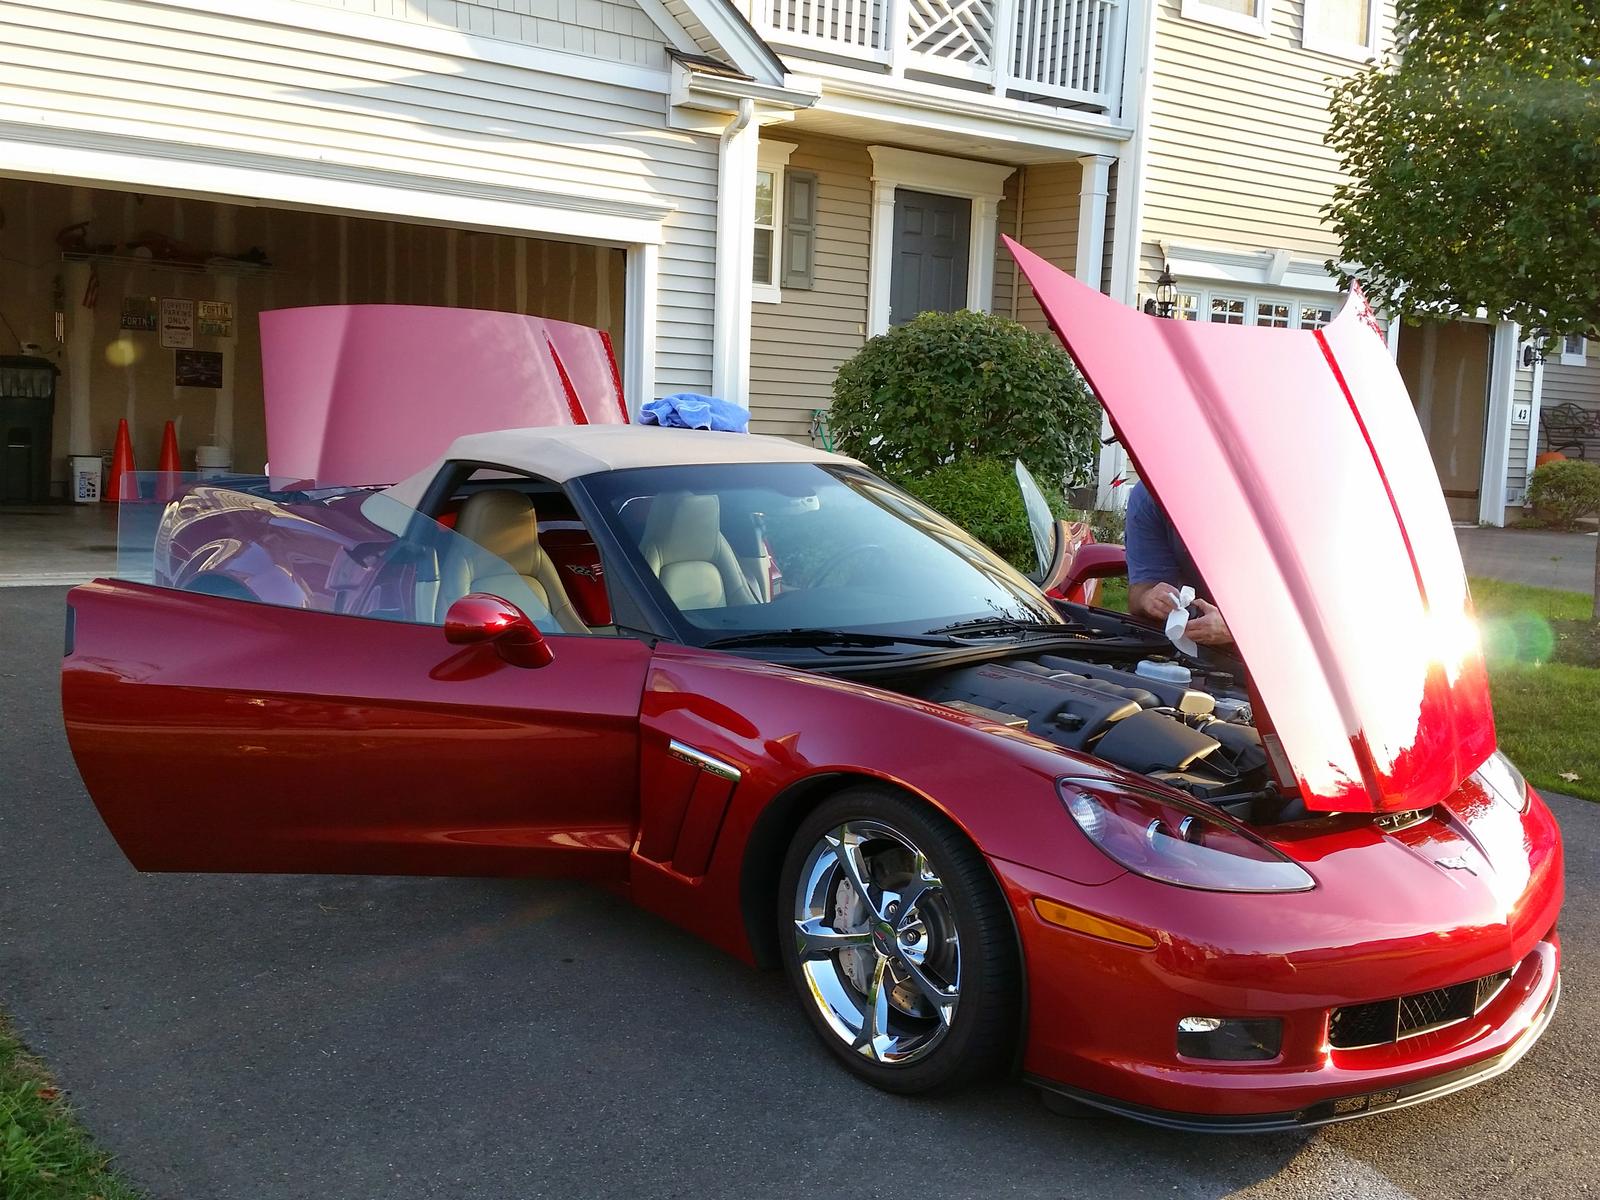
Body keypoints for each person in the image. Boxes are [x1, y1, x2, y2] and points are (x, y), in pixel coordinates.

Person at [1123, 480, 1232, 646]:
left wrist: (1236, 628)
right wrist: (1148, 598)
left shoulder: (1274, 489)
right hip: (1189, 641)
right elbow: (1141, 590)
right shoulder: (1150, 494)